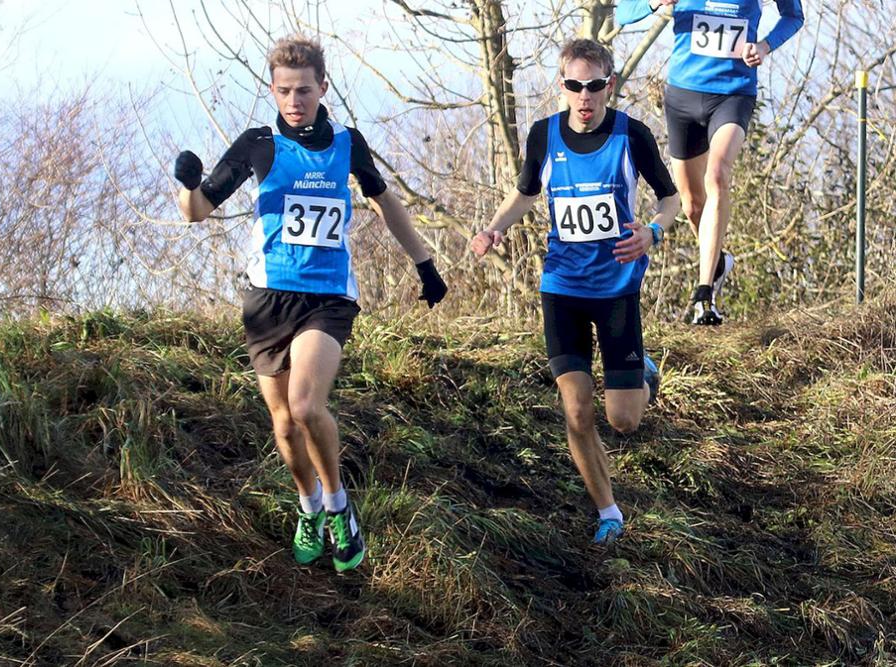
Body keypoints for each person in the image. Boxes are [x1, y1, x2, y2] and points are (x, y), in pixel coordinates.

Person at [174, 35, 447, 572]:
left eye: (303, 90)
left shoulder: (347, 142)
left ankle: (340, 508)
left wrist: (425, 263)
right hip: (267, 298)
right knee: (283, 423)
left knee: (304, 406)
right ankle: (309, 506)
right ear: (272, 91)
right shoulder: (258, 143)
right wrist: (186, 184)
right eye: (284, 91)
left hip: (327, 297)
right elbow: (197, 210)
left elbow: (385, 202)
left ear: (323, 87)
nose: (294, 100)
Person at [471, 39, 679, 545]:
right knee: (577, 408)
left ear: (609, 85)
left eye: (594, 85)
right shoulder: (544, 135)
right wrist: (494, 228)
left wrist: (652, 232)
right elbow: (525, 192)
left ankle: (644, 372)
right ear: (561, 86)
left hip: (616, 288)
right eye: (573, 85)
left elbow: (671, 200)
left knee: (623, 420)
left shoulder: (631, 135)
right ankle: (609, 512)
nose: (584, 95)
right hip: (562, 286)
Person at [617, 0, 803, 324]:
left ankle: (704, 295)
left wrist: (765, 45)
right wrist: (653, 2)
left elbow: (793, 15)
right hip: (682, 97)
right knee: (691, 205)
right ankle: (717, 264)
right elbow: (623, 13)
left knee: (717, 175)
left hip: (734, 94)